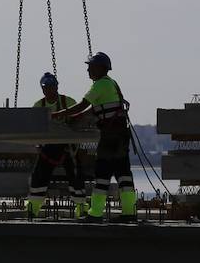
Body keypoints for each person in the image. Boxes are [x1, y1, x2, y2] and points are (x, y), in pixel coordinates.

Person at [53, 52, 137, 223]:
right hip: (120, 135)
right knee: (123, 174)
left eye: (90, 67)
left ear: (99, 68)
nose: (88, 70)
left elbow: (83, 105)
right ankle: (129, 212)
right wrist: (75, 118)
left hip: (110, 137)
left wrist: (58, 114)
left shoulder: (99, 85)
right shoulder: (111, 84)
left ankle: (96, 213)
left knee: (102, 173)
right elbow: (92, 110)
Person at [26, 72, 86, 219]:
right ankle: (33, 208)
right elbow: (32, 128)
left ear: (57, 86)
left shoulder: (68, 102)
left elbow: (80, 121)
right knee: (38, 176)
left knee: (76, 177)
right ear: (42, 89)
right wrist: (37, 145)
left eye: (52, 87)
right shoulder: (39, 106)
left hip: (68, 148)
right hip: (48, 148)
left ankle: (81, 208)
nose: (49, 90)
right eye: (46, 87)